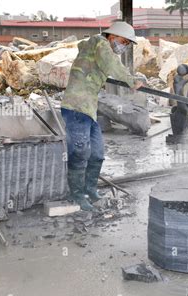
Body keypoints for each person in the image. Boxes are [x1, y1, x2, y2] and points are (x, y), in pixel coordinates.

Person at [61, 21, 143, 211]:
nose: (124, 46)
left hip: (88, 109)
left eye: (127, 44)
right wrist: (131, 81)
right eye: (124, 42)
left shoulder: (98, 50)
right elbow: (112, 64)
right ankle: (77, 195)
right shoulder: (100, 44)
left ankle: (90, 189)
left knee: (97, 154)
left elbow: (106, 67)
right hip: (75, 107)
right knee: (79, 153)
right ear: (112, 36)